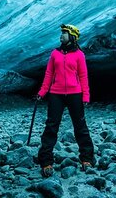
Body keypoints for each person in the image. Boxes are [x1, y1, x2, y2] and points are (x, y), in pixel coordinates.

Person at [35, 24, 95, 177]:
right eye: (62, 33)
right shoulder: (55, 54)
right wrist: (42, 92)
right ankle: (46, 161)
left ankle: (86, 159)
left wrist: (86, 96)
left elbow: (83, 76)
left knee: (80, 126)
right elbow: (48, 74)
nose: (61, 35)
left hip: (75, 94)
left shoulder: (79, 55)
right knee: (51, 126)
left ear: (72, 36)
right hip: (56, 94)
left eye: (64, 33)